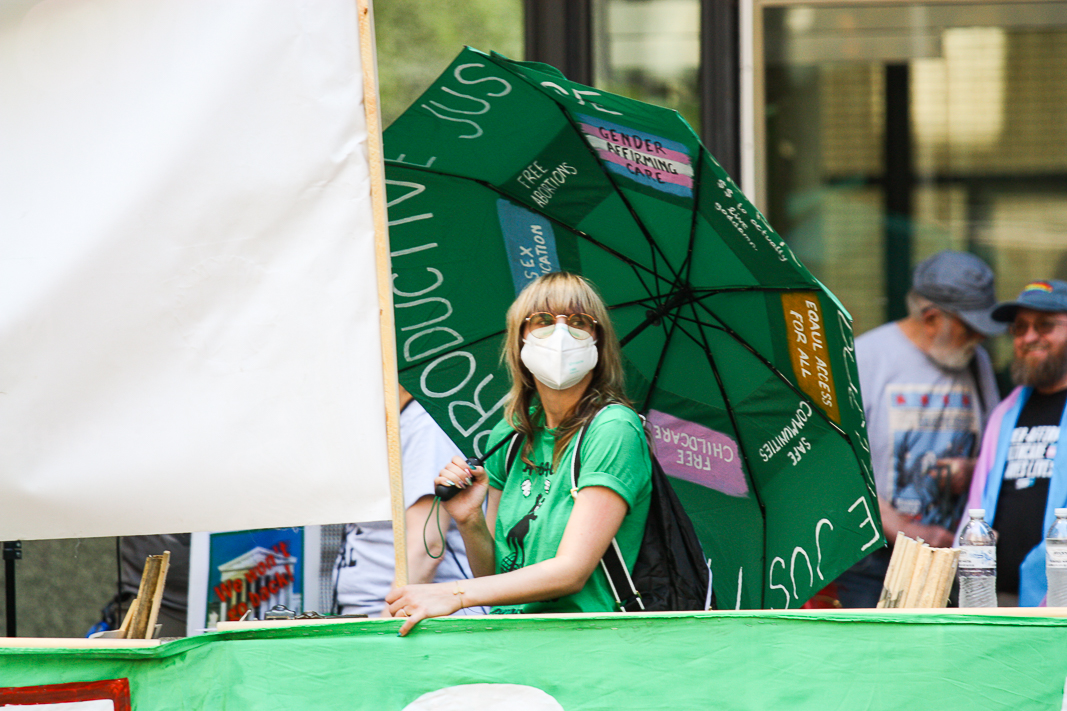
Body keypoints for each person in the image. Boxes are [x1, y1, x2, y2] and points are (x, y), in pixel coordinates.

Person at [385, 272, 652, 635]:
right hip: (510, 639)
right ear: (520, 338)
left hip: (585, 642)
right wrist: (469, 519)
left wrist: (454, 593)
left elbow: (571, 572)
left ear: (597, 342)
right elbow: (497, 577)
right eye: (542, 320)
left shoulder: (613, 428)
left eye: (578, 322)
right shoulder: (509, 434)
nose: (561, 335)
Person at [835, 251, 1003, 607]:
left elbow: (995, 448)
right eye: (969, 327)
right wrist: (905, 530)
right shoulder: (864, 358)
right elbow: (837, 464)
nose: (979, 338)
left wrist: (971, 469)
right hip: (874, 564)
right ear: (931, 318)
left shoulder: (976, 362)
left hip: (953, 561)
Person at [333, 386, 484, 616]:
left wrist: (387, 625)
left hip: (411, 618)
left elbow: (427, 546)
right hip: (374, 612)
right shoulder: (393, 420)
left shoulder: (425, 425)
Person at [963, 280, 1067, 606]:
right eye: (1020, 328)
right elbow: (977, 504)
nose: (1029, 337)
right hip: (997, 600)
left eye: (1045, 325)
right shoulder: (1005, 413)